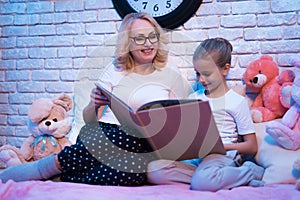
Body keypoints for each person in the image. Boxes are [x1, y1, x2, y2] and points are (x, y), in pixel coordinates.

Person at [0, 12, 190, 186]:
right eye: (140, 38)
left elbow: (176, 124)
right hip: (102, 136)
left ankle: (60, 177)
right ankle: (42, 168)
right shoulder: (115, 69)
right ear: (128, 43)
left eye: (152, 36)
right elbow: (91, 121)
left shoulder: (171, 75)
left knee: (135, 170)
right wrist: (94, 104)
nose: (148, 43)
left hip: (143, 147)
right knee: (119, 135)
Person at [147, 38, 265, 191]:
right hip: (197, 159)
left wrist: (220, 147)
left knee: (203, 179)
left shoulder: (236, 101)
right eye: (198, 73)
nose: (201, 79)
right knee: (154, 170)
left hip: (221, 157)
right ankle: (214, 178)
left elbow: (251, 146)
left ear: (225, 69)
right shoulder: (193, 99)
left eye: (207, 74)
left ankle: (248, 171)